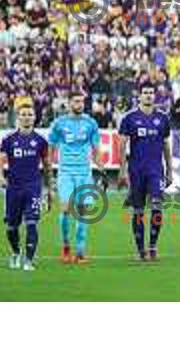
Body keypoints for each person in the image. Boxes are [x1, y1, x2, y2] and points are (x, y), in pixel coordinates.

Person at [118, 82, 173, 261]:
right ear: (139, 96)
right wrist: (122, 170)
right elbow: (122, 145)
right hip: (136, 170)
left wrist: (170, 170)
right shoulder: (130, 118)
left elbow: (166, 145)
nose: (149, 95)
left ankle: (153, 247)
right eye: (145, 93)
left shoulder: (163, 118)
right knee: (138, 211)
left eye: (151, 93)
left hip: (156, 170)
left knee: (157, 207)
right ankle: (141, 250)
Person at [48, 90, 104, 263]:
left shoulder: (91, 123)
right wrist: (49, 174)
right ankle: (66, 247)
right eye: (76, 102)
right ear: (69, 103)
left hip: (84, 173)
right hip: (65, 173)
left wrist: (101, 168)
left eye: (81, 102)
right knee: (65, 209)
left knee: (83, 213)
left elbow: (95, 150)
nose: (79, 105)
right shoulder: (59, 123)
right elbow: (51, 150)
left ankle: (80, 252)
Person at [0, 102, 52, 271]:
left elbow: (47, 166)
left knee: (32, 222)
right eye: (23, 114)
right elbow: (0, 161)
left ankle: (29, 260)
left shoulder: (40, 141)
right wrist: (0, 177)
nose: (27, 117)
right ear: (18, 117)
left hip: (33, 186)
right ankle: (15, 252)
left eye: (30, 114)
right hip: (13, 188)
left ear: (34, 117)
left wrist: (50, 189)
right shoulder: (9, 139)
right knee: (12, 226)